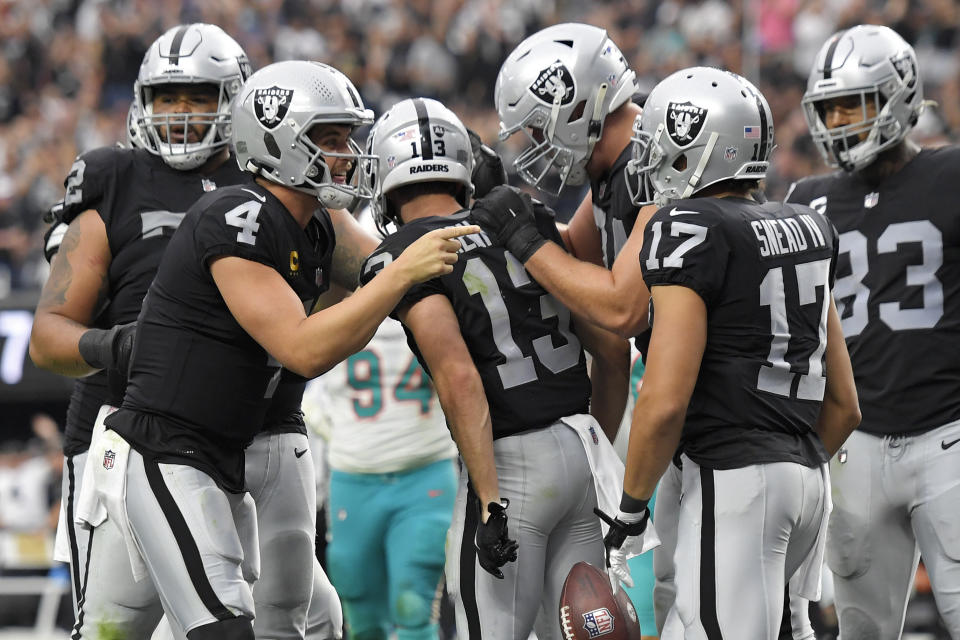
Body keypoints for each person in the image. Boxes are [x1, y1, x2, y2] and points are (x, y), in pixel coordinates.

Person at [73, 60, 476, 640]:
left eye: (347, 137)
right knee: (162, 629)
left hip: (235, 449)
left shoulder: (318, 225)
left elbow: (381, 277)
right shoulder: (235, 218)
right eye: (330, 138)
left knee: (310, 623)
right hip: (167, 448)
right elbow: (304, 348)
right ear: (279, 140)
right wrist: (399, 275)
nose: (347, 153)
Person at [576, 65, 861, 638]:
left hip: (735, 476)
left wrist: (631, 509)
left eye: (660, 144)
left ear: (700, 148)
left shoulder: (688, 225)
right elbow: (846, 405)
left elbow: (663, 399)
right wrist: (788, 465)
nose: (648, 159)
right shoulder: (807, 225)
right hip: (807, 475)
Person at [360, 96, 636, 639]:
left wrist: (490, 502)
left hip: (508, 467)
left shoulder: (405, 254)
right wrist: (593, 445)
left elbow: (460, 378)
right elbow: (611, 349)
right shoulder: (523, 218)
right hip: (578, 448)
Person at [29, 23, 253, 622]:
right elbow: (48, 337)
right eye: (167, 97)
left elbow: (353, 269)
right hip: (118, 426)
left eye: (199, 96)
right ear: (141, 102)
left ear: (234, 98)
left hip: (238, 434)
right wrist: (125, 347)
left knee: (276, 616)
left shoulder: (267, 184)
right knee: (110, 625)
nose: (181, 113)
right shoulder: (114, 176)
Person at [785, 24, 960, 638]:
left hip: (949, 432)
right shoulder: (807, 200)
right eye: (828, 109)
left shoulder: (950, 174)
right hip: (854, 442)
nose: (838, 123)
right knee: (861, 628)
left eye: (851, 105)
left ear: (898, 95)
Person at [305, 220, 458, 638]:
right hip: (355, 476)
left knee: (413, 607)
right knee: (361, 613)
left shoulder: (438, 293)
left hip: (424, 473)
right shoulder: (339, 301)